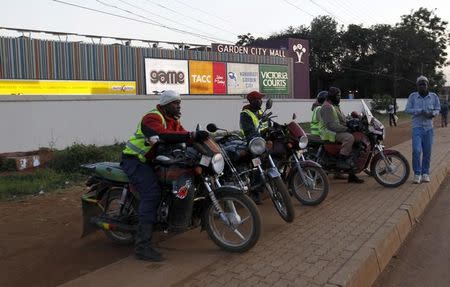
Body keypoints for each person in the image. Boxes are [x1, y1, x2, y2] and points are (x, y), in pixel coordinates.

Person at [120, 90, 209, 261]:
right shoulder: (152, 118)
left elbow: (182, 136)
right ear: (166, 105)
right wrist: (190, 136)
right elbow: (162, 135)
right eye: (175, 103)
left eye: (179, 103)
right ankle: (142, 247)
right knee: (152, 193)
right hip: (136, 160)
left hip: (153, 160)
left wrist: (197, 141)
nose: (178, 106)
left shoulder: (174, 120)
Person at [319, 87, 364, 183]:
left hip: (334, 131)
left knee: (355, 140)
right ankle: (342, 160)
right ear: (332, 96)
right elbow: (331, 125)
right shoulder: (327, 107)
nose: (339, 97)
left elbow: (341, 119)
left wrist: (351, 122)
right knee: (349, 137)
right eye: (338, 96)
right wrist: (347, 128)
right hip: (329, 133)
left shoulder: (333, 106)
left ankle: (351, 174)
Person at [405, 76, 440, 184]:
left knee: (427, 152)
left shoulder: (433, 96)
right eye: (420, 84)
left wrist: (432, 114)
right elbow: (407, 109)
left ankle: (425, 173)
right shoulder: (413, 96)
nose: (422, 86)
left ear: (427, 85)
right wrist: (419, 111)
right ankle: (417, 174)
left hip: (429, 128)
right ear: (417, 86)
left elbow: (437, 109)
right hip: (417, 128)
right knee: (416, 150)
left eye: (424, 84)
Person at [240, 91, 269, 204]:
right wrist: (261, 141)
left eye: (261, 99)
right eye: (259, 99)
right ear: (253, 101)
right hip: (253, 143)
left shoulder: (260, 111)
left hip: (264, 140)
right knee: (257, 164)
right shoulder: (245, 114)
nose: (261, 101)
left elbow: (266, 124)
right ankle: (255, 191)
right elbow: (249, 131)